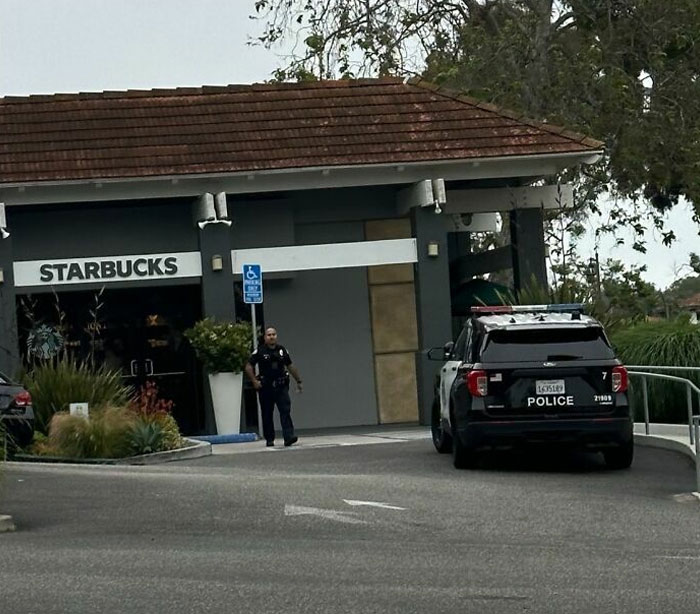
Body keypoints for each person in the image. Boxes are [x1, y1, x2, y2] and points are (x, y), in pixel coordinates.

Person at [245, 326, 303, 447]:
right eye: (269, 335)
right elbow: (248, 366)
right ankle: (269, 439)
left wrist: (298, 380)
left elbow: (290, 365)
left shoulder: (282, 350)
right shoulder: (260, 351)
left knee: (285, 411)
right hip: (266, 388)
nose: (272, 337)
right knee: (267, 413)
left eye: (274, 334)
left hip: (281, 386)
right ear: (265, 337)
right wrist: (254, 381)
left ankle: (288, 437)